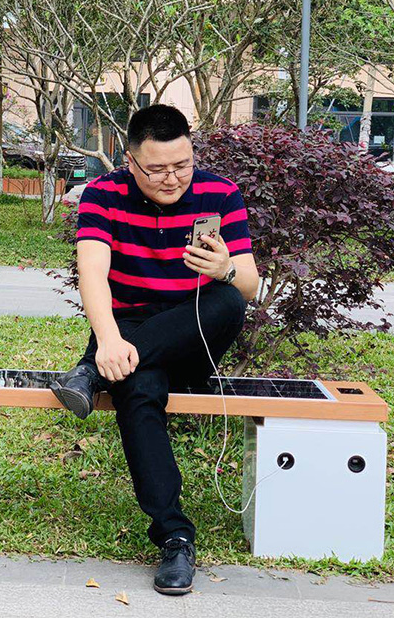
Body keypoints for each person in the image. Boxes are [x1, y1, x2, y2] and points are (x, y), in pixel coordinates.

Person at [50, 104, 259, 596]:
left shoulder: (220, 193)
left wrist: (224, 267)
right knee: (138, 387)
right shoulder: (104, 193)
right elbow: (92, 273)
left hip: (195, 335)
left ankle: (88, 374)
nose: (172, 178)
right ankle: (175, 537)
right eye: (158, 169)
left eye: (182, 165)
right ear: (130, 160)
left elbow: (247, 288)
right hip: (124, 337)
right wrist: (107, 340)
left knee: (226, 299)